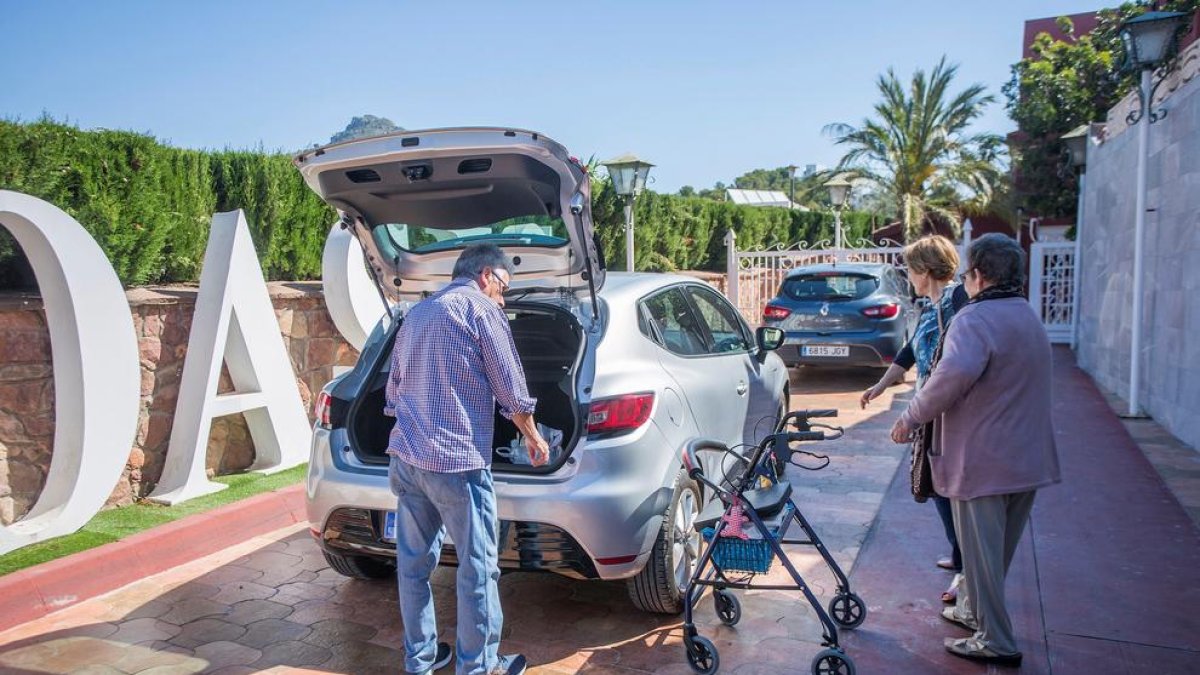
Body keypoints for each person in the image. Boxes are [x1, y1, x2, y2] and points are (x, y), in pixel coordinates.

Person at [890, 233, 1061, 667]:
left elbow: (949, 378)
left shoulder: (975, 320)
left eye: (967, 273)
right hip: (1027, 457)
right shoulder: (1027, 316)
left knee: (982, 556)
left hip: (984, 460)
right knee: (995, 555)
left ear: (979, 276)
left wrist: (910, 417)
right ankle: (971, 610)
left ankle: (996, 640)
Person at [385, 243, 550, 675]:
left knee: (413, 568)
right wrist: (533, 437)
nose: (504, 298)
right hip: (457, 465)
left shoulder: (417, 313)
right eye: (504, 287)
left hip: (407, 458)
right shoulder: (481, 311)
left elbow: (394, 388)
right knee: (478, 571)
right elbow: (511, 388)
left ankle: (419, 661)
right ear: (486, 275)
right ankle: (480, 667)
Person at [860, 235, 968, 602]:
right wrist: (880, 386)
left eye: (911, 268)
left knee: (946, 487)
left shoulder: (958, 302)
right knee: (934, 483)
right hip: (927, 408)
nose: (908, 275)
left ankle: (966, 571)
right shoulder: (930, 306)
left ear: (925, 269)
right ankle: (958, 556)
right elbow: (908, 353)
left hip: (948, 412)